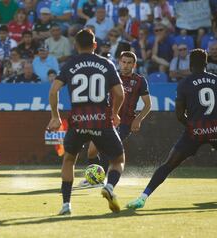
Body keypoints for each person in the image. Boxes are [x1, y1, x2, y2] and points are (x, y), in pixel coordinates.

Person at [47, 29, 125, 215]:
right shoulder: (106, 64)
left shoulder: (69, 65)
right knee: (118, 160)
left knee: (69, 159)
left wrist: (55, 116)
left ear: (76, 45)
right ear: (95, 45)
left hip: (78, 121)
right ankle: (110, 187)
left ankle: (66, 204)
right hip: (101, 121)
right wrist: (115, 113)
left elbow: (53, 91)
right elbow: (120, 93)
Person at [127, 49, 217, 209]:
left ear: (190, 65)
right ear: (206, 64)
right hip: (215, 129)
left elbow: (179, 114)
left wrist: (192, 127)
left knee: (168, 165)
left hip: (195, 131)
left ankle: (143, 197)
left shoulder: (185, 83)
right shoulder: (215, 80)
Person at [80, 51, 151, 187]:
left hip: (125, 122)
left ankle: (99, 180)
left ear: (134, 64)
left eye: (129, 63)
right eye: (123, 62)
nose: (126, 65)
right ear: (119, 62)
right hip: (106, 119)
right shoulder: (111, 77)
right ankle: (95, 176)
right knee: (91, 151)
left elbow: (148, 105)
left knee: (106, 148)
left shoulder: (140, 81)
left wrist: (138, 119)